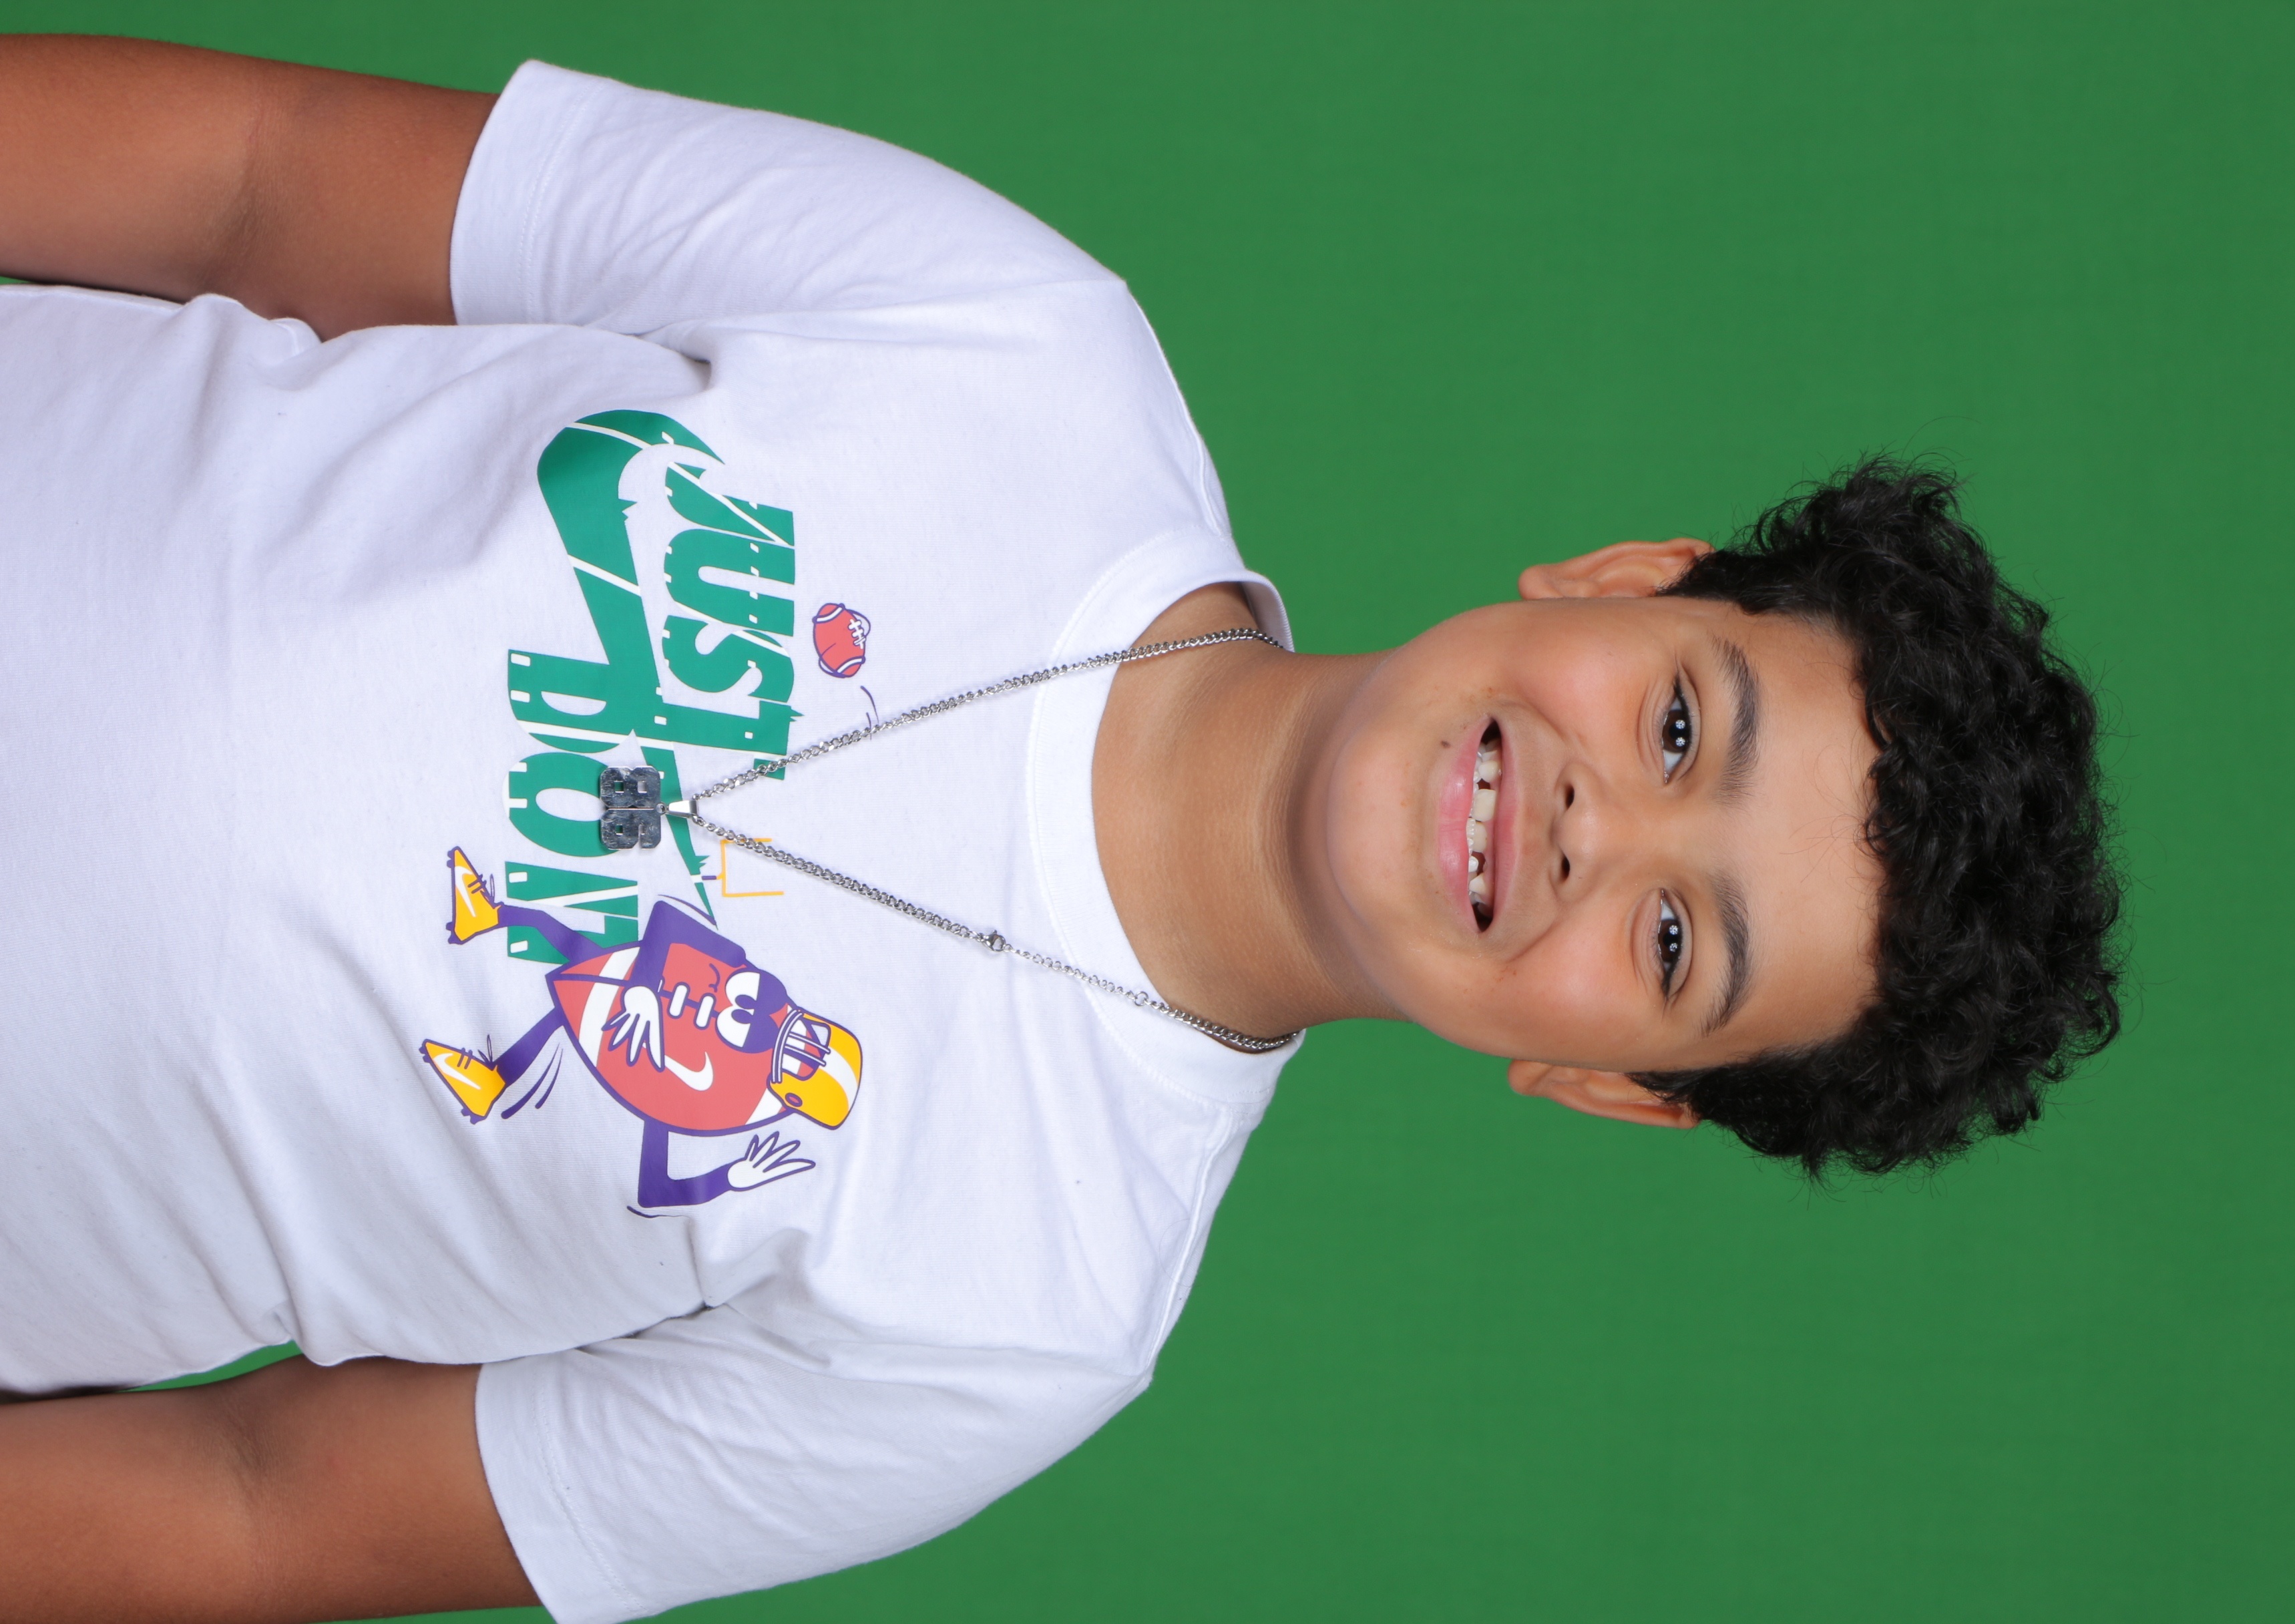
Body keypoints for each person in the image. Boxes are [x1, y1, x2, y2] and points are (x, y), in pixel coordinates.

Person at [0, 35, 2122, 1624]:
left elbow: (261, 1505)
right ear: (1620, 580)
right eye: (1678, 725)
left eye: (1676, 946)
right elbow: (264, 181)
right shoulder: (1013, 337)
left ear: (1607, 1085)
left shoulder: (1023, 1325)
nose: (1599, 830)